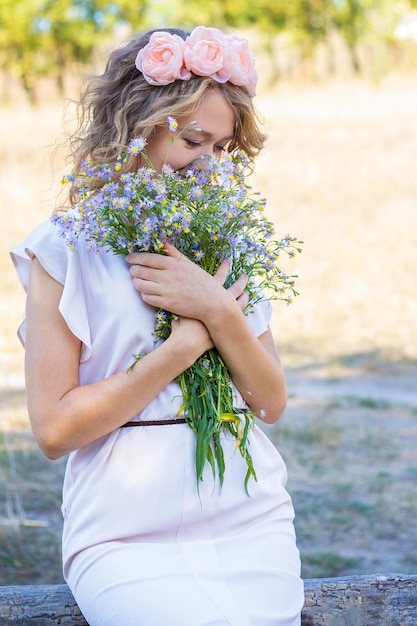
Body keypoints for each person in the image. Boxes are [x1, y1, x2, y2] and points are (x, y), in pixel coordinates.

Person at [11, 26, 304, 626]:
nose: (208, 166)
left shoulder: (225, 242)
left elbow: (269, 402)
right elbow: (53, 429)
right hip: (124, 529)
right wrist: (186, 346)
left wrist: (219, 310)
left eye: (222, 149)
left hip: (247, 519)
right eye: (194, 140)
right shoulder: (63, 251)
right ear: (136, 123)